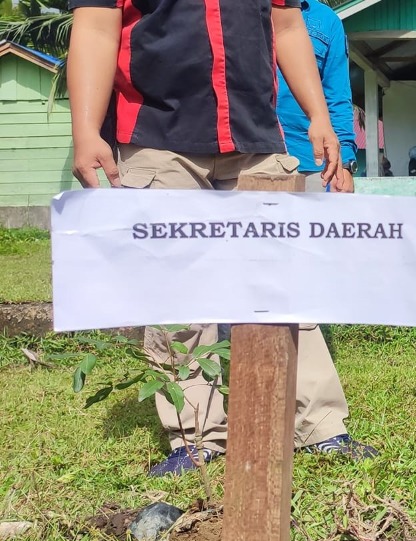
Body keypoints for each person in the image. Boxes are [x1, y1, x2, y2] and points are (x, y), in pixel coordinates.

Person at [67, 0, 378, 476]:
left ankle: (319, 427)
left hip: (256, 140)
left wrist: (319, 115)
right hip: (156, 138)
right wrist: (86, 130)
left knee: (284, 285)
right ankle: (197, 439)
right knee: (178, 295)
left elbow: (288, 24)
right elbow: (95, 28)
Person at [276, 0, 359, 193]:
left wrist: (345, 163)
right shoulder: (242, 11)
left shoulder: (327, 20)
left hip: (311, 163)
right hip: (246, 158)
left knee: (315, 223)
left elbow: (338, 98)